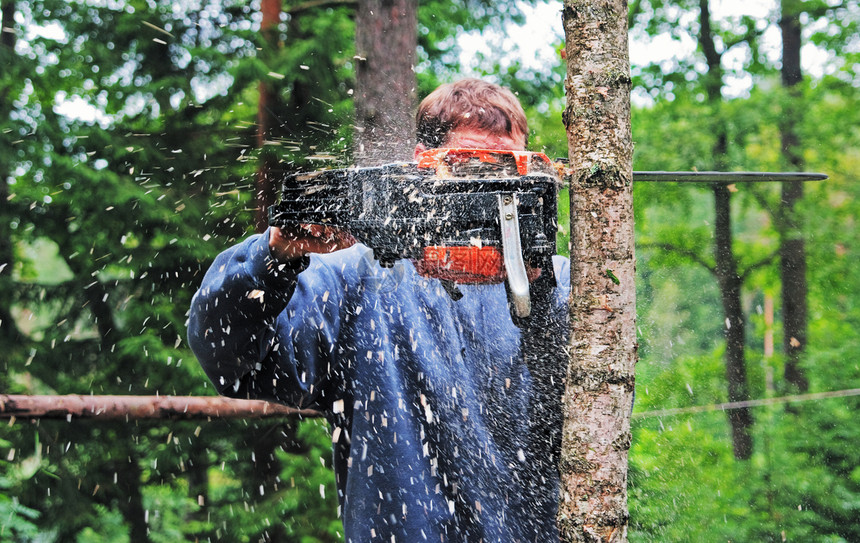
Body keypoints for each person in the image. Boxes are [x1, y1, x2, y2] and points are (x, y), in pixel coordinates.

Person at [188, 78, 570, 542]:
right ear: (421, 165)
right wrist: (274, 256)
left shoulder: (560, 281)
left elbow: (589, 406)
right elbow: (232, 362)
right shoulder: (352, 278)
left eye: (507, 174)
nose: (489, 194)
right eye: (469, 172)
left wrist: (540, 294)